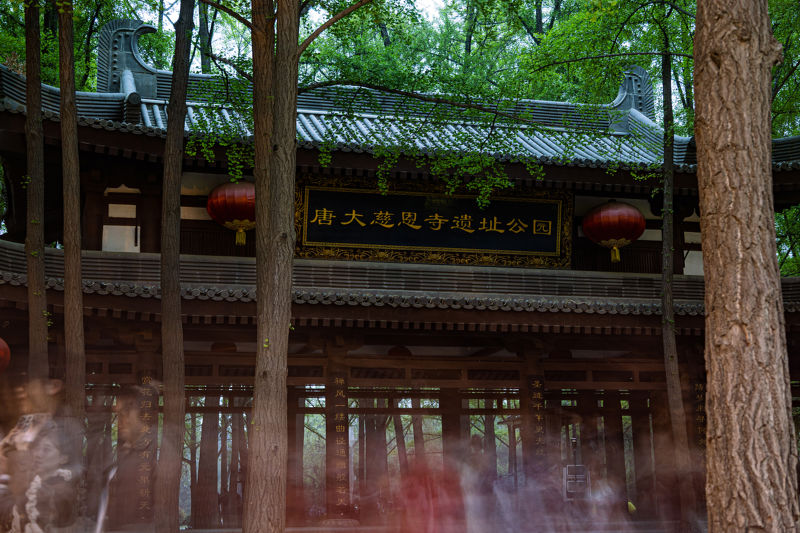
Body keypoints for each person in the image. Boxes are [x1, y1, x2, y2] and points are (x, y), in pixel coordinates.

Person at [0, 374, 82, 533]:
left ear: (54, 386)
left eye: (29, 383)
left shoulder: (64, 429)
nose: (22, 390)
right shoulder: (21, 430)